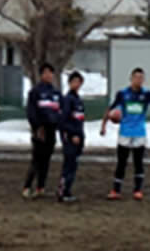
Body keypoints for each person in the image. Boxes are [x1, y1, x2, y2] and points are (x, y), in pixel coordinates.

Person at [101, 67, 150, 201]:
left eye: (141, 78)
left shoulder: (146, 94)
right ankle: (116, 190)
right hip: (125, 132)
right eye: (136, 77)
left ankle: (138, 190)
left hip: (139, 133)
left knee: (138, 162)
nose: (138, 80)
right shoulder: (122, 94)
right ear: (131, 79)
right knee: (121, 162)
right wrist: (104, 125)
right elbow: (110, 108)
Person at [22, 62, 62, 199]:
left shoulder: (56, 93)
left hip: (52, 129)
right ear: (41, 75)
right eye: (45, 73)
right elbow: (31, 111)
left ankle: (41, 187)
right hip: (41, 129)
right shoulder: (35, 92)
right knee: (37, 159)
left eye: (51, 73)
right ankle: (27, 187)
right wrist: (37, 127)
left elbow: (60, 111)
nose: (48, 75)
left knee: (46, 159)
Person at [56, 71, 87, 203]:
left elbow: (79, 120)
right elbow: (63, 120)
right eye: (74, 81)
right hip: (70, 137)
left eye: (79, 82)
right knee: (68, 165)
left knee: (73, 165)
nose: (77, 84)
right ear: (69, 83)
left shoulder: (78, 100)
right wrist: (71, 134)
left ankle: (67, 190)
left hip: (78, 136)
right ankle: (62, 191)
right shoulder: (67, 99)